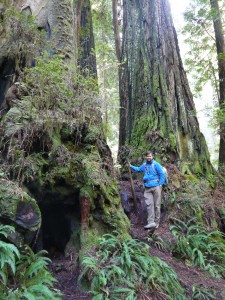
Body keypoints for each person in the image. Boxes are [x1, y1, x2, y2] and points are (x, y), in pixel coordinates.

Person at [129, 150, 165, 229]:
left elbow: (162, 174)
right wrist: (130, 166)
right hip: (147, 188)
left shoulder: (156, 165)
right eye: (147, 156)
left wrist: (160, 184)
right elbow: (138, 169)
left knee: (157, 205)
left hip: (156, 187)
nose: (149, 157)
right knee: (149, 205)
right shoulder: (144, 165)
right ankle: (151, 222)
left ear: (152, 157)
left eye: (150, 156)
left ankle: (157, 222)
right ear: (146, 157)